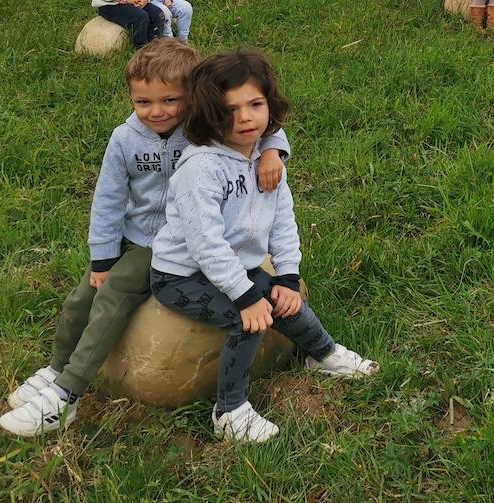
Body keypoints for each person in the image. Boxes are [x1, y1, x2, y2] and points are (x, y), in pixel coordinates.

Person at [0, 40, 291, 437]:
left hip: (167, 246)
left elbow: (259, 126)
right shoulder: (125, 138)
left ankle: (68, 394)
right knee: (80, 300)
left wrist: (275, 151)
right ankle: (55, 368)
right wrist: (103, 257)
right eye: (143, 102)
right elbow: (108, 199)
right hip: (131, 236)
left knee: (112, 299)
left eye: (170, 100)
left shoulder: (203, 132)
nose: (157, 111)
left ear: (195, 97)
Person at [149, 49, 378, 443]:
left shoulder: (266, 160)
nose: (245, 118)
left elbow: (282, 221)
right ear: (207, 114)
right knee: (248, 320)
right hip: (182, 275)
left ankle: (322, 355)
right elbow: (206, 245)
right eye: (229, 110)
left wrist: (287, 277)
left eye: (255, 105)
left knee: (288, 304)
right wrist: (245, 297)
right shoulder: (200, 169)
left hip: (240, 266)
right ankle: (229, 411)